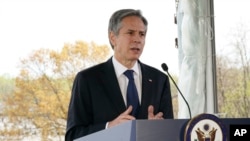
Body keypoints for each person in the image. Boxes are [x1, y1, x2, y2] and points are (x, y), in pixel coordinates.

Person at [65, 9, 174, 141]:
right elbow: (73, 135)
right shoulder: (88, 79)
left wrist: (159, 130)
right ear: (113, 38)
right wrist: (108, 127)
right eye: (130, 33)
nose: (137, 40)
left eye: (142, 34)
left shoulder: (159, 80)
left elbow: (170, 133)